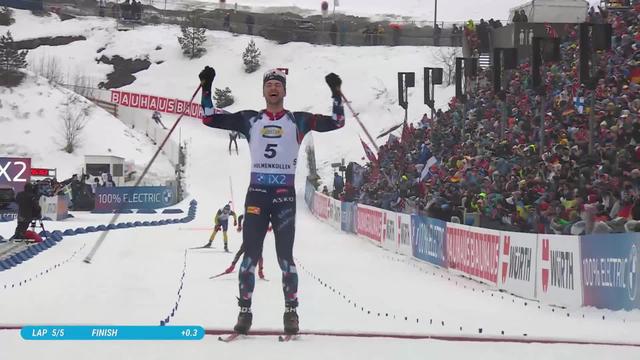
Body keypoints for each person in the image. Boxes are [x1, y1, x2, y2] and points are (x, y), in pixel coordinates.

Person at [198, 66, 345, 335]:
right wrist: (207, 87)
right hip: (257, 196)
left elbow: (337, 122)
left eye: (278, 85)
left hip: (284, 198)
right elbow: (208, 118)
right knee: (249, 257)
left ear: (284, 91)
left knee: (285, 258)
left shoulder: (297, 120)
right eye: (269, 85)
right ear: (263, 91)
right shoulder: (249, 119)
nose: (273, 88)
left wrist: (336, 93)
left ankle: (291, 312)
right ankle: (245, 312)